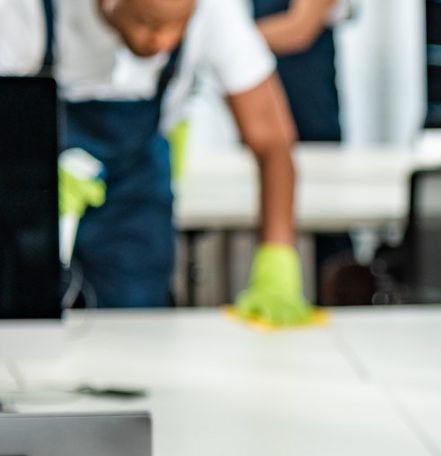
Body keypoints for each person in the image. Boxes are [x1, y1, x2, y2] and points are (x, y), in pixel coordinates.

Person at [0, 0, 313, 324]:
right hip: (35, 202)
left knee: (137, 328)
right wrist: (25, 171)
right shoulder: (26, 9)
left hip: (137, 198)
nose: (162, 41)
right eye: (146, 22)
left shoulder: (214, 10)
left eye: (178, 26)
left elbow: (273, 142)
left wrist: (277, 261)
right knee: (25, 326)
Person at [251, 0, 354, 282]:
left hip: (310, 115)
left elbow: (299, 29)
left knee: (327, 229)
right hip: (262, 110)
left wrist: (223, 41)